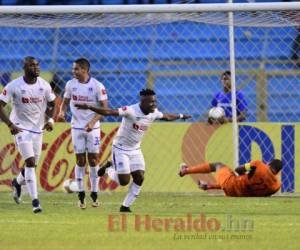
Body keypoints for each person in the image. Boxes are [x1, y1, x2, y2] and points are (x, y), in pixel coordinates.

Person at [75, 88, 191, 212]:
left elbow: (167, 116)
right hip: (120, 149)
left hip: (135, 149)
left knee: (140, 177)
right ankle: (109, 167)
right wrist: (89, 106)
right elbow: (109, 112)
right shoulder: (130, 111)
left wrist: (181, 115)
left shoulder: (154, 113)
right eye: (151, 102)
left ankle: (125, 206)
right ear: (143, 102)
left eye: (155, 101)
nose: (154, 104)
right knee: (124, 181)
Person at [0, 56, 56, 213]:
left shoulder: (44, 85)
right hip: (20, 127)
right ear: (24, 68)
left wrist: (50, 120)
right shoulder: (14, 86)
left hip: (37, 129)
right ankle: (35, 202)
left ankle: (17, 183)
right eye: (32, 66)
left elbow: (52, 104)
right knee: (30, 162)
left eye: (37, 65)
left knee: (33, 164)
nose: (36, 68)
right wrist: (10, 125)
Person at [58, 58, 108, 209]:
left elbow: (105, 109)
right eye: (73, 69)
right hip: (77, 127)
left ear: (85, 70)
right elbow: (65, 102)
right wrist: (61, 112)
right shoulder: (70, 84)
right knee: (80, 160)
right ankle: (81, 195)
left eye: (76, 69)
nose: (73, 72)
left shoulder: (97, 86)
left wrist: (92, 123)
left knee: (93, 160)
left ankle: (94, 193)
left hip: (93, 128)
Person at [179, 159, 282, 197]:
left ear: (269, 164)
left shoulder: (259, 165)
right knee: (238, 182)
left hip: (232, 186)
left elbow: (238, 170)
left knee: (218, 165)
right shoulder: (276, 186)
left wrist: (249, 170)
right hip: (241, 195)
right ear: (277, 172)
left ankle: (186, 171)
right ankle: (208, 186)